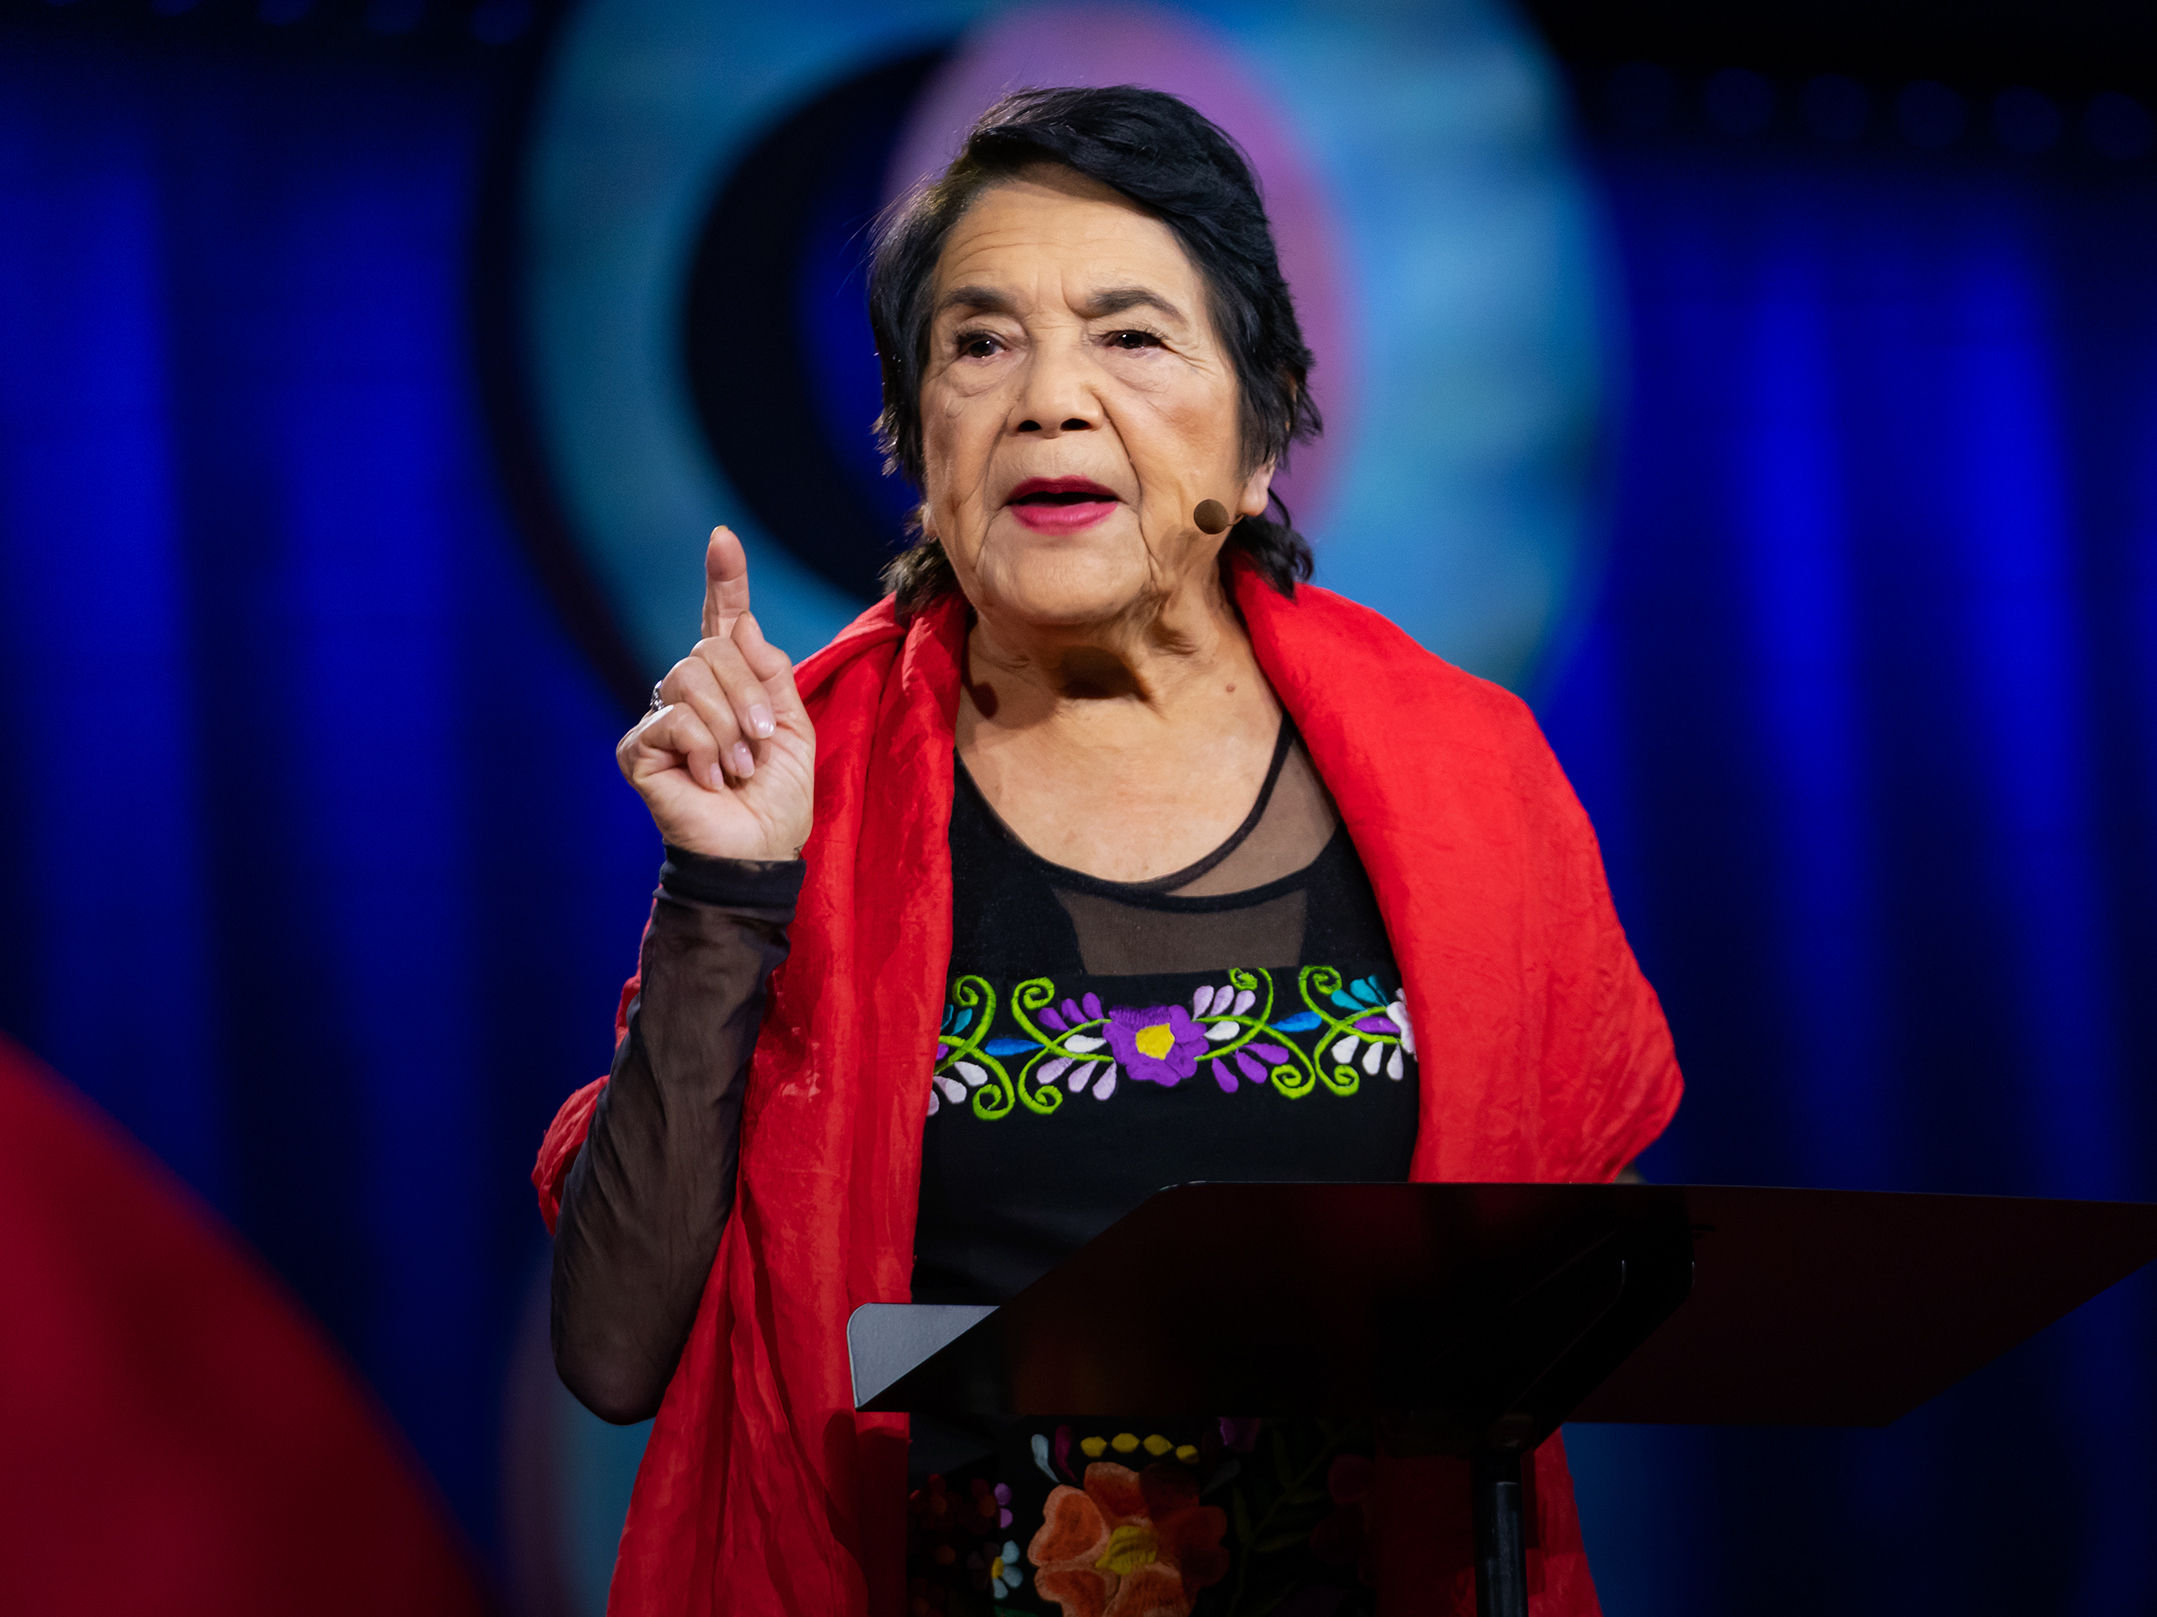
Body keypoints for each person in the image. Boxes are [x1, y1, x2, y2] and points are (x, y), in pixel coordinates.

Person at [534, 85, 1680, 1617]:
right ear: (915, 442)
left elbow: (1567, 1296)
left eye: (1130, 337)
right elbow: (613, 1355)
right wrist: (726, 887)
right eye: (978, 342)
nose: (1048, 399)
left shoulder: (1468, 774)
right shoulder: (809, 774)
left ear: (1263, 428)